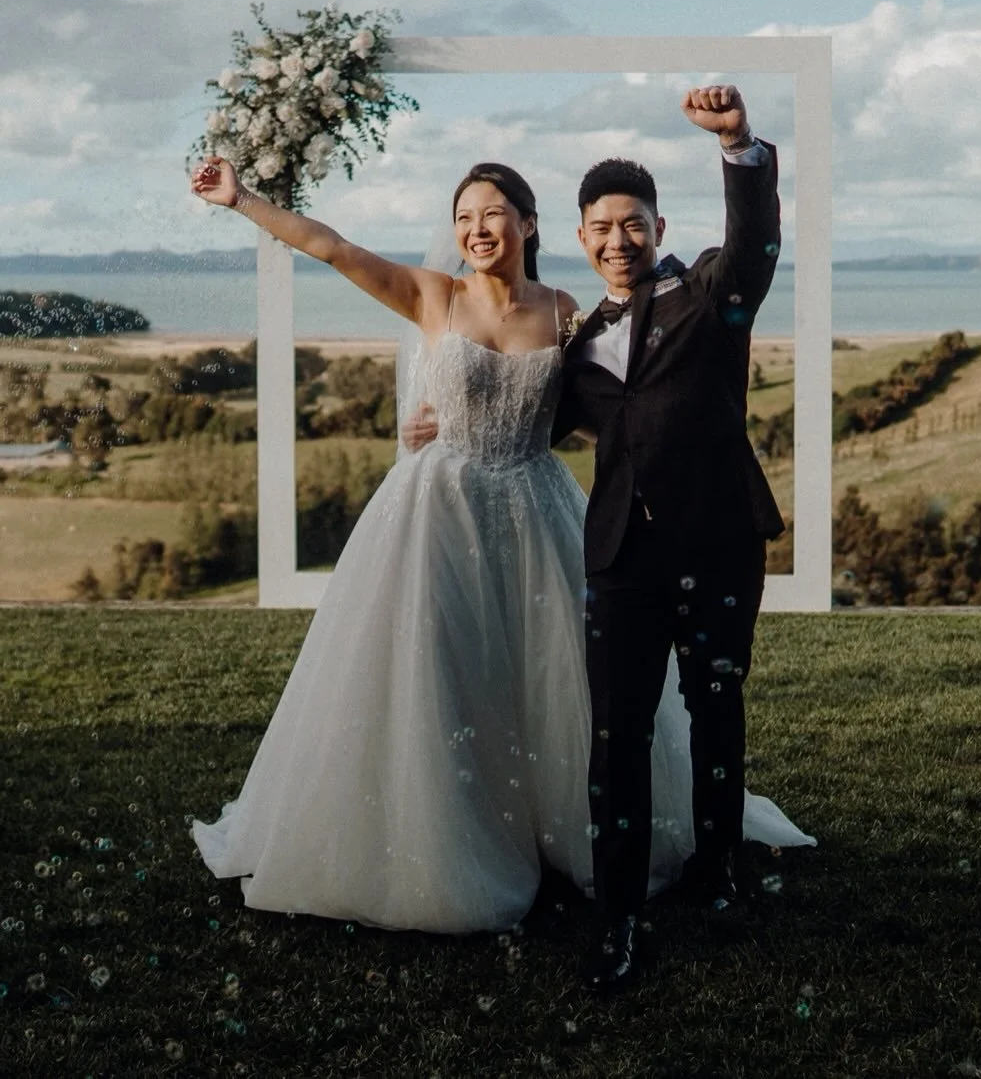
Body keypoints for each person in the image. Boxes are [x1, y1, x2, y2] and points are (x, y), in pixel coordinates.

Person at [187, 153, 718, 932]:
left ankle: (557, 830)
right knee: (442, 671)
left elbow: (596, 403)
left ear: (529, 224)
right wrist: (243, 201)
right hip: (440, 512)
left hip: (538, 511)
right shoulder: (434, 297)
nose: (475, 229)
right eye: (463, 217)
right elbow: (331, 246)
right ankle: (449, 840)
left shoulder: (567, 311)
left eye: (492, 213)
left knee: (550, 676)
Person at [551, 82, 789, 990]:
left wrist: (738, 144)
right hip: (620, 561)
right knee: (617, 734)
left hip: (721, 540)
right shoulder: (574, 346)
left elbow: (758, 243)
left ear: (657, 224)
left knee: (715, 709)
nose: (619, 240)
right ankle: (618, 918)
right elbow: (531, 427)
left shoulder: (711, 294)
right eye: (602, 227)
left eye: (634, 223)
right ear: (581, 237)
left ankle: (717, 870)